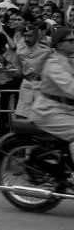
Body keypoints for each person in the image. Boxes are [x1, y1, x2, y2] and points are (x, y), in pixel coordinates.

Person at [31, 27, 74, 161]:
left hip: (64, 110)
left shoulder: (67, 60)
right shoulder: (53, 64)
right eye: (71, 40)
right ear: (60, 44)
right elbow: (70, 88)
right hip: (49, 112)